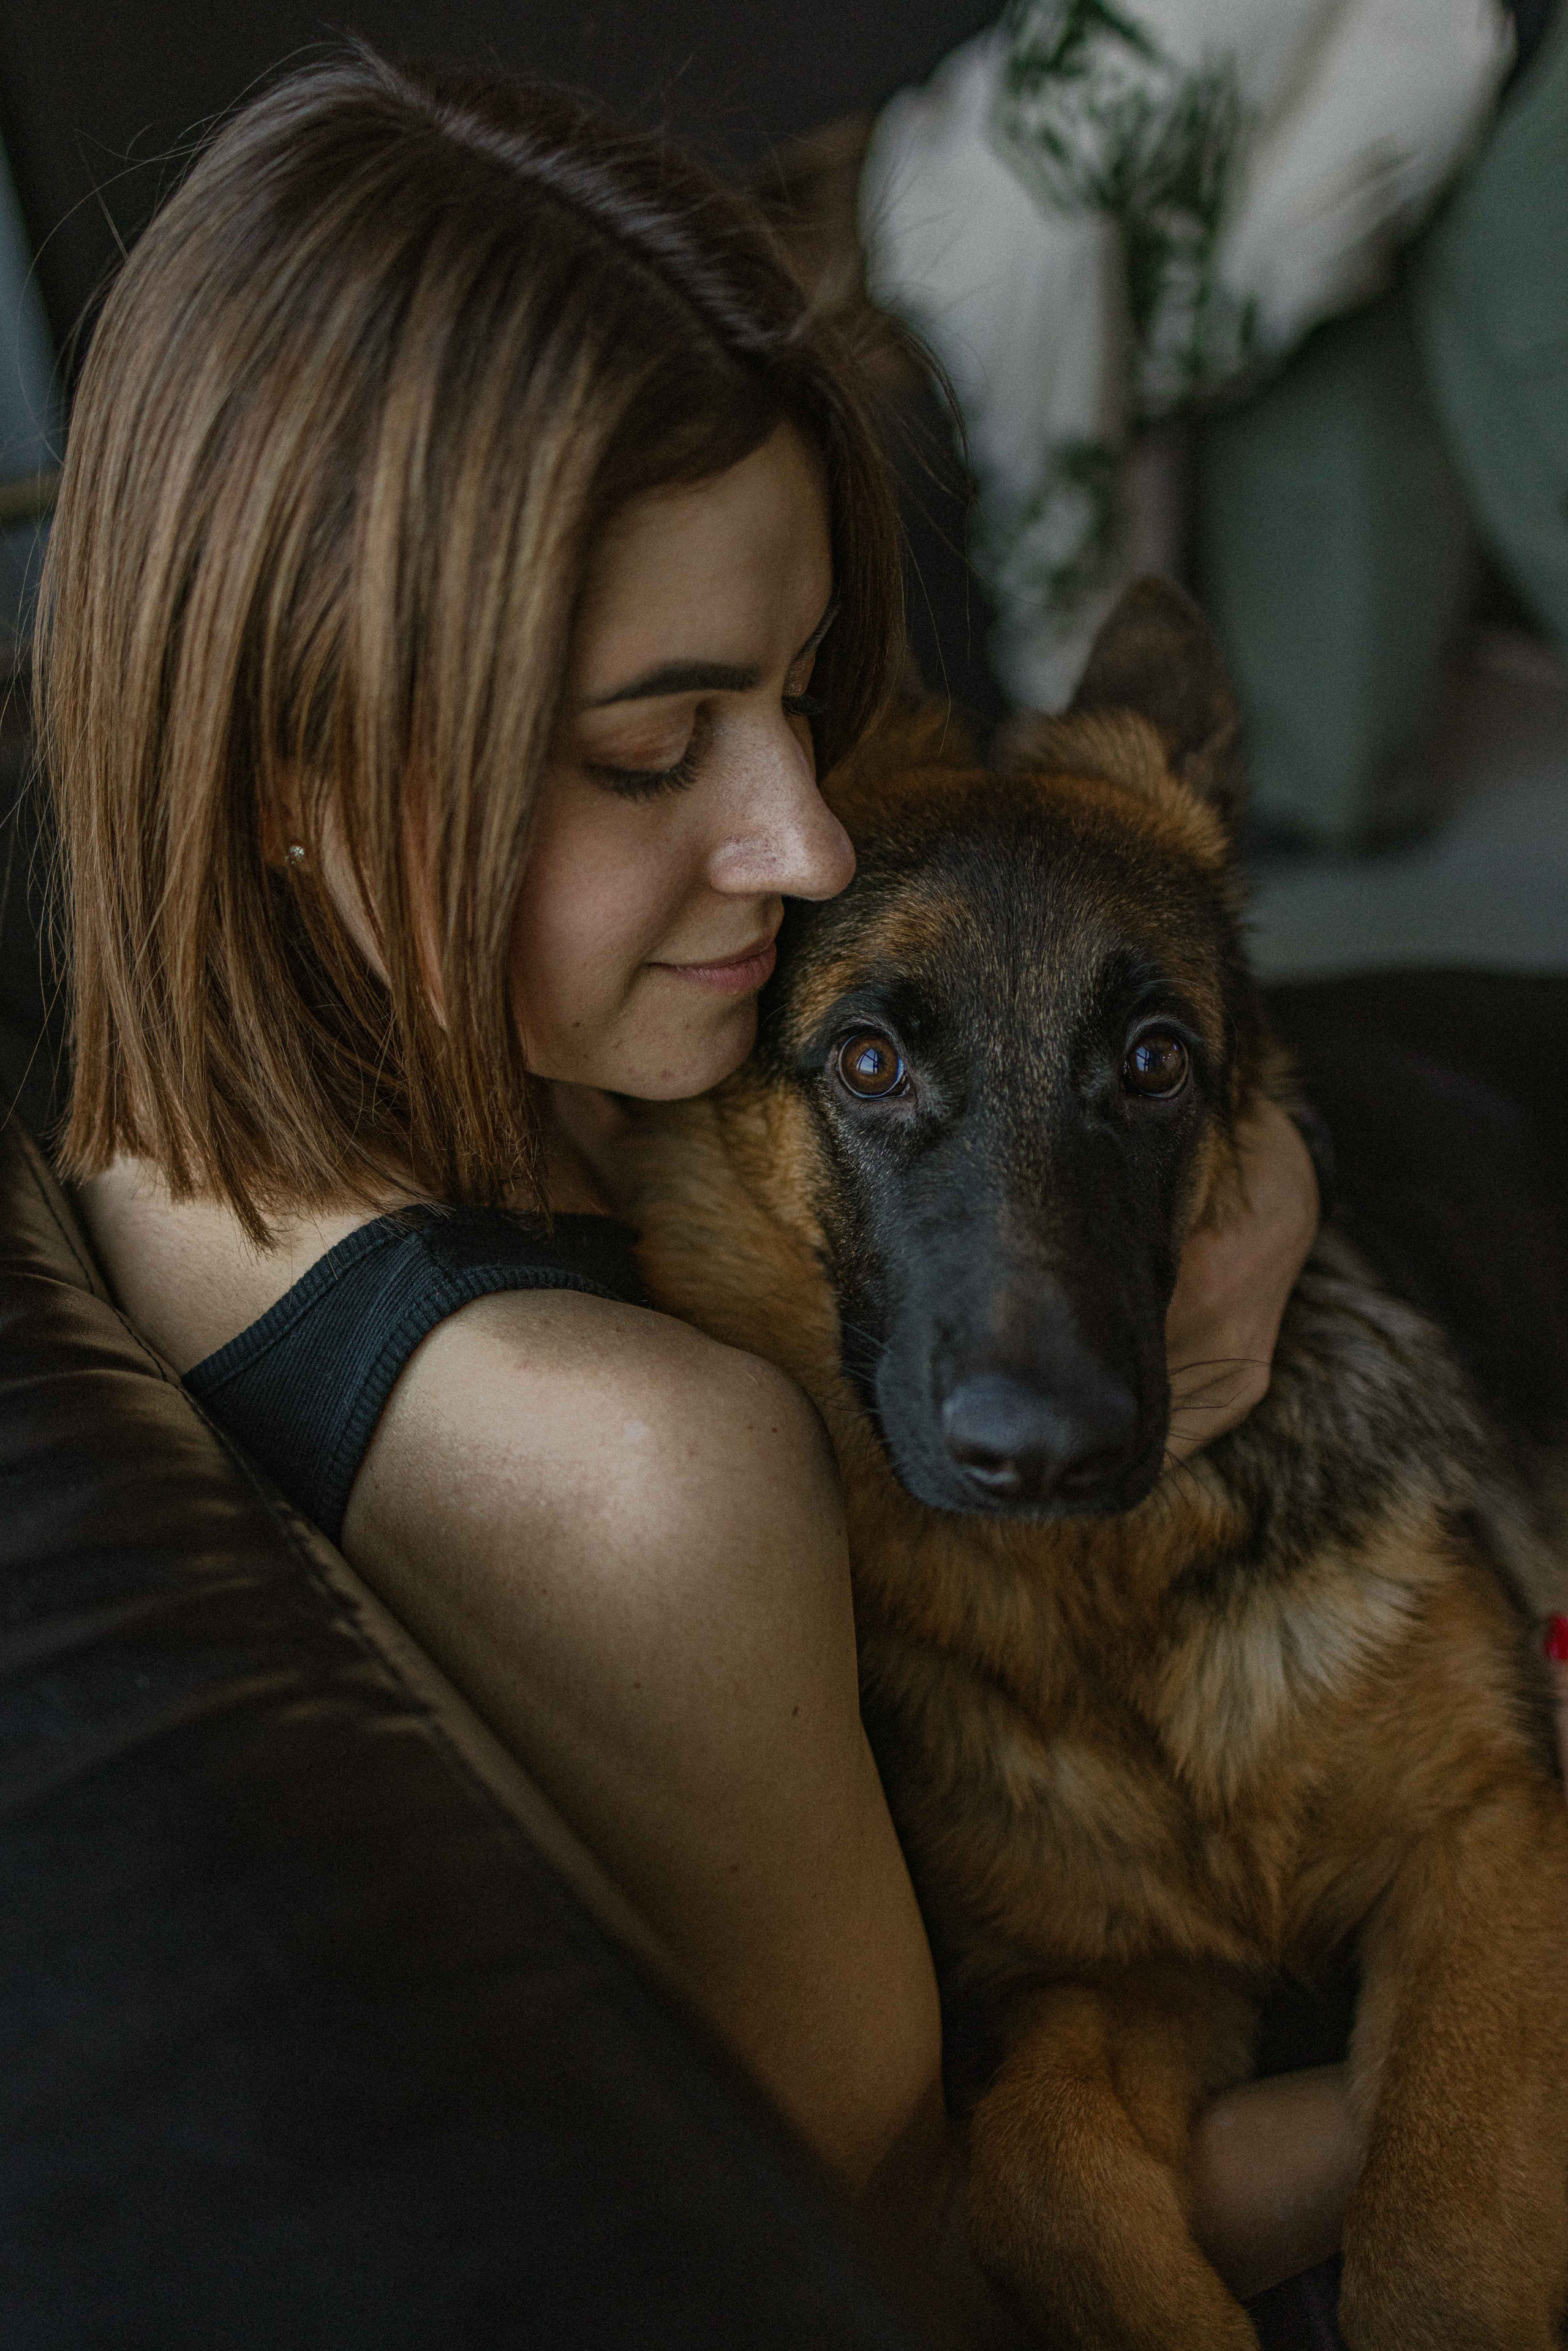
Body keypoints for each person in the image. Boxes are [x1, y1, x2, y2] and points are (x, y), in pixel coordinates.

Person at [45, 47, 1344, 2340]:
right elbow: (910, 2264)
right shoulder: (649, 1479)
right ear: (292, 770)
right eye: (652, 750)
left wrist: (1250, 1164)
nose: (808, 838)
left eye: (799, 689)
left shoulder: (217, 1067)